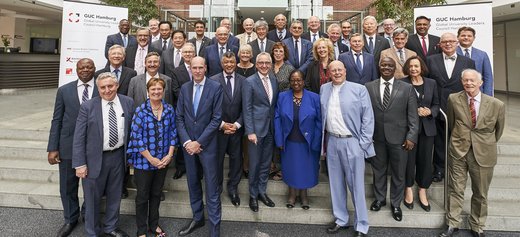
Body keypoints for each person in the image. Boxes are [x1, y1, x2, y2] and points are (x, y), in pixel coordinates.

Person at [439, 69, 505, 237]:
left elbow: (498, 131)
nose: (469, 83)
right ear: (462, 82)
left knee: (481, 192)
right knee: (455, 189)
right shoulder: (454, 99)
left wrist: (483, 143)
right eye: (466, 80)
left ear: (480, 83)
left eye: (472, 80)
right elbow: (452, 122)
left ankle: (477, 225)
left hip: (483, 153)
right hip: (459, 151)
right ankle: (453, 223)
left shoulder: (497, 104)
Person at [73, 72, 134, 237]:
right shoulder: (88, 106)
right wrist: (80, 164)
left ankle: (111, 227)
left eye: (110, 86)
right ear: (98, 89)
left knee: (115, 195)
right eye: (103, 87)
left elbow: (132, 132)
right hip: (94, 159)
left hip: (119, 157)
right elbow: (79, 137)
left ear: (117, 85)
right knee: (92, 199)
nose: (107, 90)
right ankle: (92, 232)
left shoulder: (128, 102)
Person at [321, 61, 374, 237]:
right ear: (328, 73)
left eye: (339, 70)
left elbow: (368, 117)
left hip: (353, 142)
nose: (336, 72)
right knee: (335, 184)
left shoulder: (359, 89)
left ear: (345, 71)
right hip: (333, 141)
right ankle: (341, 219)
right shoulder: (324, 89)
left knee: (356, 185)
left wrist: (363, 144)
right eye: (333, 70)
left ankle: (361, 224)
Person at [47, 58, 98, 237]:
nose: (85, 70)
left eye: (88, 67)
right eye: (81, 67)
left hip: (93, 146)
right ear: (76, 70)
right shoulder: (64, 90)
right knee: (68, 185)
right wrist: (52, 147)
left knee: (92, 185)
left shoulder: (103, 88)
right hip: (68, 145)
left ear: (94, 69)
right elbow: (57, 119)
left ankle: (86, 214)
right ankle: (70, 218)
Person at [365, 57, 419, 222]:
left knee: (398, 173)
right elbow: (365, 114)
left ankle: (396, 204)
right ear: (379, 67)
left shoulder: (407, 88)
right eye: (383, 65)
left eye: (390, 65)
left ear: (395, 68)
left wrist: (411, 136)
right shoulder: (368, 87)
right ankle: (380, 199)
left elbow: (413, 116)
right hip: (377, 137)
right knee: (378, 170)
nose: (386, 67)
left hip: (400, 139)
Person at [176, 56, 223, 237]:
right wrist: (188, 142)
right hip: (189, 146)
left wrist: (199, 142)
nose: (197, 71)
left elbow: (216, 119)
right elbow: (179, 117)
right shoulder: (185, 88)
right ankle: (197, 218)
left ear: (206, 68)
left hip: (207, 146)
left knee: (211, 188)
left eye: (200, 67)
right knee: (193, 183)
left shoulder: (215, 87)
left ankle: (214, 229)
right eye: (194, 68)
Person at [127, 78, 177, 237]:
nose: (156, 92)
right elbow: (136, 137)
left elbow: (173, 133)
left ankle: (154, 224)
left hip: (163, 162)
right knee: (142, 196)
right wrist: (151, 159)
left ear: (163, 91)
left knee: (156, 194)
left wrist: (169, 155)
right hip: (144, 162)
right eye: (153, 89)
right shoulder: (140, 111)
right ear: (148, 92)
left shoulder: (169, 109)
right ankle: (141, 230)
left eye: (159, 89)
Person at [427, 32, 475, 183]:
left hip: (459, 108)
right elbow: (427, 83)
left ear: (457, 43)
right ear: (440, 44)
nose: (448, 44)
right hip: (438, 106)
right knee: (439, 140)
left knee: (458, 140)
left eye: (451, 41)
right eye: (445, 42)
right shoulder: (430, 60)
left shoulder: (468, 62)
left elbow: (471, 85)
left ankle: (456, 169)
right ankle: (439, 169)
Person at [274, 70, 322, 210]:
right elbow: (277, 119)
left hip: (308, 142)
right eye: (293, 80)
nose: (296, 82)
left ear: (303, 81)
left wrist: (317, 141)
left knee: (306, 169)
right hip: (289, 141)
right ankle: (292, 195)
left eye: (299, 80)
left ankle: (304, 195)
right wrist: (279, 140)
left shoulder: (314, 97)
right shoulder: (283, 97)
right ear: (290, 82)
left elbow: (319, 121)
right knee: (291, 169)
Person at [401, 56, 439, 212]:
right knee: (409, 160)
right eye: (411, 66)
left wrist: (430, 111)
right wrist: (412, 112)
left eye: (416, 66)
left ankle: (423, 190)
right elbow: (398, 106)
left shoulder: (431, 83)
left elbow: (437, 104)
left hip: (427, 128)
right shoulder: (402, 83)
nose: (413, 69)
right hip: (408, 129)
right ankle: (408, 188)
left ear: (421, 67)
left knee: (425, 160)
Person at [242, 52, 279, 212]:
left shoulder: (273, 79)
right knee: (255, 164)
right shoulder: (249, 82)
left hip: (270, 129)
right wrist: (250, 131)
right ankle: (252, 195)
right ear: (256, 65)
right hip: (255, 131)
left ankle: (262, 192)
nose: (264, 65)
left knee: (265, 164)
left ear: (270, 64)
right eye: (261, 63)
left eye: (267, 63)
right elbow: (247, 108)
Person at [210, 52, 246, 207]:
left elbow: (247, 107)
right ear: (221, 63)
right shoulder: (212, 81)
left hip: (237, 130)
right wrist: (222, 124)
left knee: (236, 160)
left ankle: (233, 188)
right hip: (219, 130)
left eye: (232, 62)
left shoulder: (244, 81)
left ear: (236, 63)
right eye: (226, 62)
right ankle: (216, 189)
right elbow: (209, 108)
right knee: (217, 162)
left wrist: (237, 125)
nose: (229, 65)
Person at [170, 43, 196, 180]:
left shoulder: (201, 67)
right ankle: (181, 167)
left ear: (194, 53)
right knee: (183, 139)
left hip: (199, 110)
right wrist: (192, 99)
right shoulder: (176, 71)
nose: (188, 54)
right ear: (182, 54)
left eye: (190, 52)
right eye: (185, 52)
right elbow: (175, 90)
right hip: (183, 110)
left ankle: (197, 167)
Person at [456, 26, 493, 96]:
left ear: (474, 38)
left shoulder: (482, 55)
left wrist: (488, 95)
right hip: (457, 93)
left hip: (477, 93)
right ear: (458, 37)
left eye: (469, 36)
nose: (466, 37)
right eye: (463, 35)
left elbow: (488, 77)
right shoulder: (452, 53)